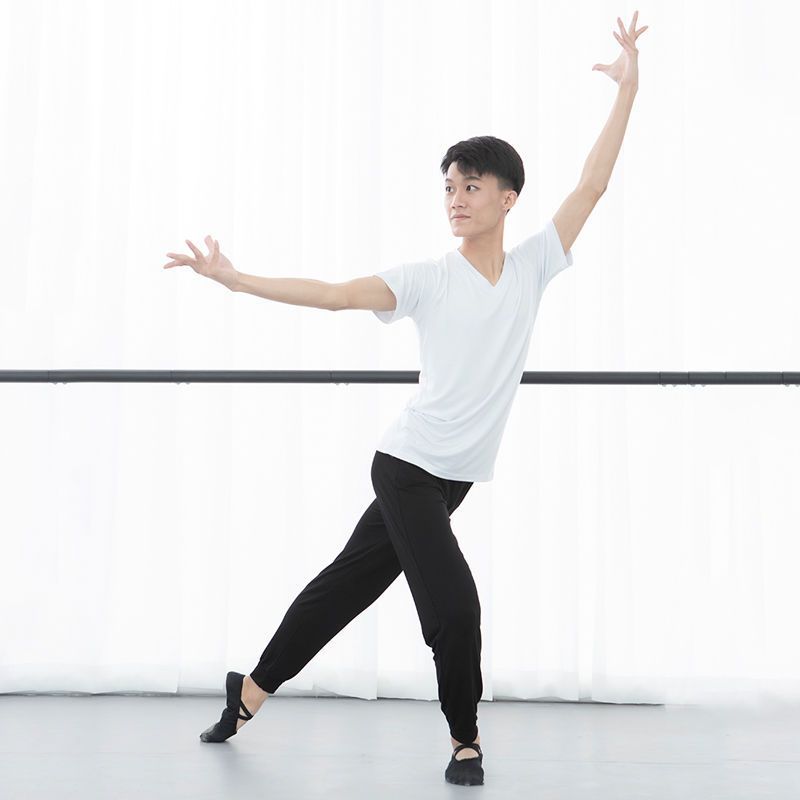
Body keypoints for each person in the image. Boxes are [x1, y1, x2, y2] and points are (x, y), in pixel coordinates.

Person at [163, 13, 647, 786]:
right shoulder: (428, 279)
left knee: (342, 589)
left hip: (453, 477)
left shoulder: (532, 267)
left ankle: (247, 692)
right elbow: (333, 295)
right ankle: (465, 741)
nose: (455, 198)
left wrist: (627, 89)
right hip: (409, 467)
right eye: (449, 187)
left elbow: (592, 184)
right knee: (454, 607)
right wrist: (236, 278)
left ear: (508, 198)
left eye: (471, 185)